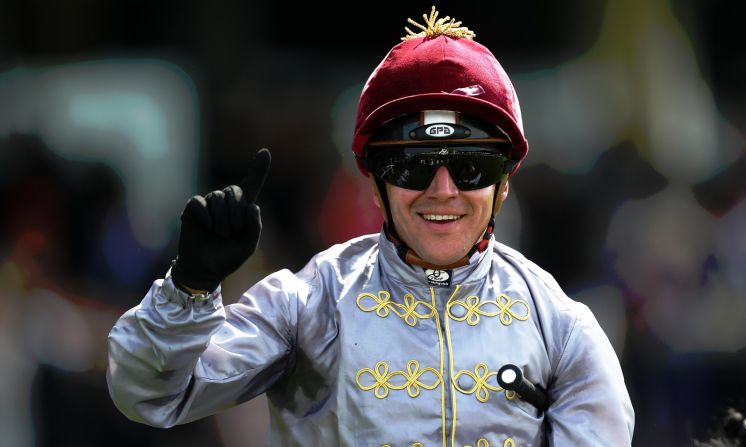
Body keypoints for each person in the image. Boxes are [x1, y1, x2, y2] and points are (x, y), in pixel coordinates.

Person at [107, 7, 634, 446]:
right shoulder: (308, 304)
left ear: (505, 182)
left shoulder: (561, 327)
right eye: (413, 166)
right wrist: (191, 288)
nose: (443, 190)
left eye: (472, 167)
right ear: (375, 180)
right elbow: (148, 396)